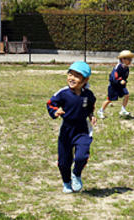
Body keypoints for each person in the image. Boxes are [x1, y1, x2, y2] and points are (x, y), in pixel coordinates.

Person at [46, 61, 97, 193]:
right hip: (67, 131)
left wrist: (91, 115)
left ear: (85, 80)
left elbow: (90, 106)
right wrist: (55, 111)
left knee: (82, 155)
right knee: (63, 161)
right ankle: (66, 182)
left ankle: (76, 174)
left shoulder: (88, 95)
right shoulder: (63, 93)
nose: (72, 78)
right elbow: (50, 103)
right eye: (70, 74)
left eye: (76, 76)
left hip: (82, 130)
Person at [97, 50, 134, 119]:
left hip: (121, 86)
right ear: (122, 59)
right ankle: (101, 110)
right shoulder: (118, 67)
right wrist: (119, 81)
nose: (130, 61)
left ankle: (123, 110)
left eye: (131, 59)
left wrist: (124, 81)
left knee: (126, 95)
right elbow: (113, 77)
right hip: (113, 86)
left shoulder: (126, 68)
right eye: (128, 59)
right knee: (109, 99)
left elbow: (125, 77)